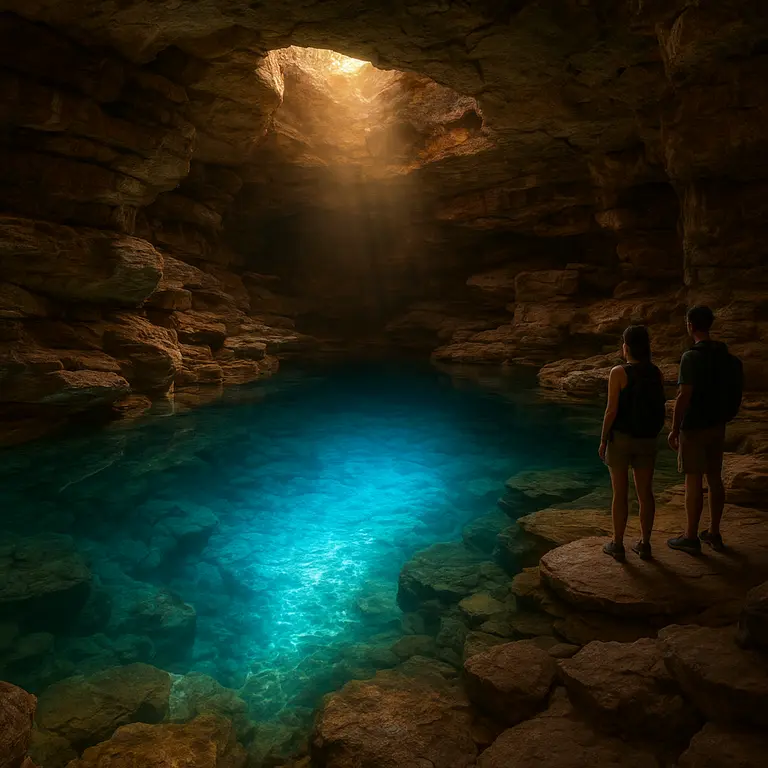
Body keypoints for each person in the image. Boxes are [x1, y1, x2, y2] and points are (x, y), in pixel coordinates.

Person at [667, 306, 732, 554]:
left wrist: (674, 428)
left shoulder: (690, 357)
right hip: (718, 424)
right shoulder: (722, 354)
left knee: (693, 479)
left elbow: (684, 395)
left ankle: (691, 536)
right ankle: (714, 533)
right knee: (714, 477)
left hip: (694, 426)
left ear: (690, 325)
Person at [599, 325, 667, 562]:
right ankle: (645, 543)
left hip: (621, 439)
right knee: (645, 492)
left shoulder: (619, 372)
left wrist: (603, 439)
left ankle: (617, 543)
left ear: (626, 346)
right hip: (647, 440)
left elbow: (611, 411)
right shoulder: (656, 372)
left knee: (620, 492)